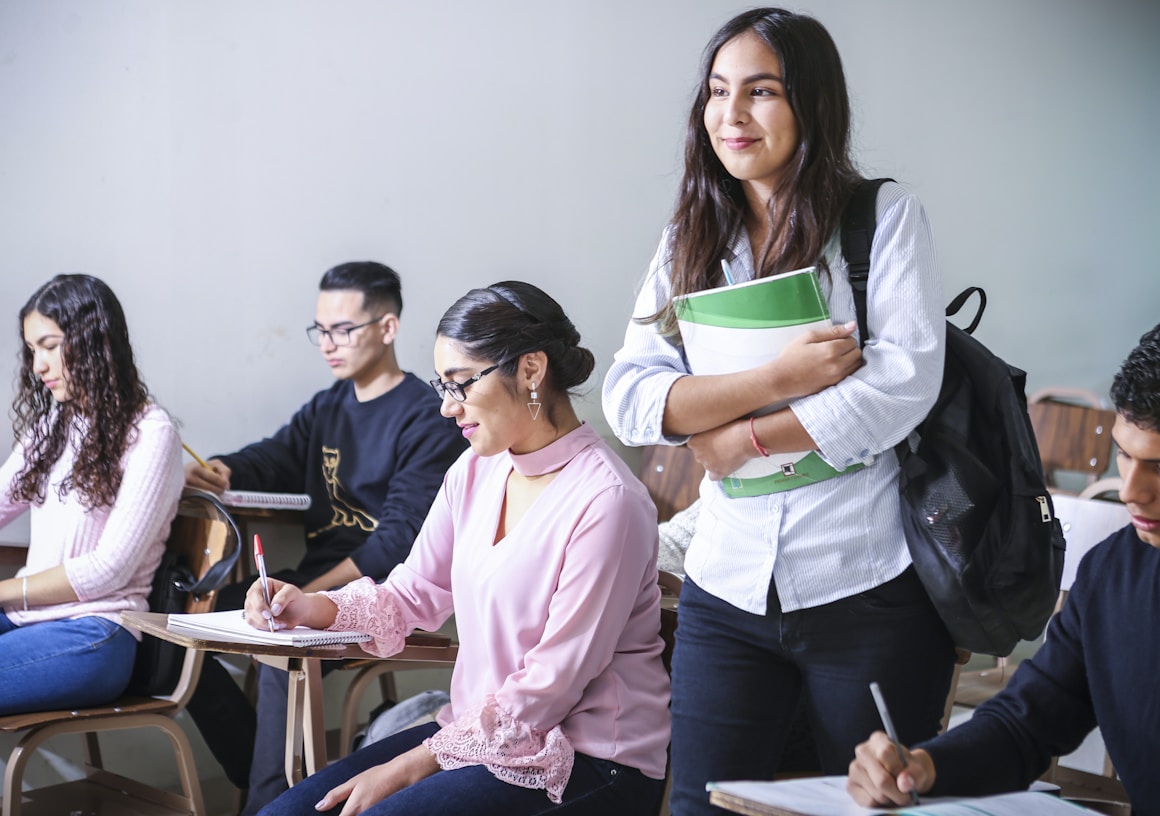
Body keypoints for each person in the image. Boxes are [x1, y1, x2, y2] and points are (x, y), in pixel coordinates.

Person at [601, 8, 955, 814]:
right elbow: (631, 396)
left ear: (811, 104)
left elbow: (901, 385)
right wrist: (779, 379)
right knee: (699, 806)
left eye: (761, 91)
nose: (731, 115)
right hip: (727, 586)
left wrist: (740, 438)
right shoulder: (689, 234)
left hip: (865, 582)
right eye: (718, 92)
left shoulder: (882, 218)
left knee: (871, 805)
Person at [253, 281, 670, 816]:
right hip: (478, 737)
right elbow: (413, 592)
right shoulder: (474, 469)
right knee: (283, 814)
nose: (449, 408)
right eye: (442, 386)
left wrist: (409, 764)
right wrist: (310, 606)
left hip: (588, 761)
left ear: (530, 369)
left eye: (460, 384)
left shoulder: (608, 501)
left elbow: (550, 685)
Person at [848, 313, 1160, 815]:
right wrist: (924, 766)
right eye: (1125, 457)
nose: (1132, 491)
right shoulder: (1114, 574)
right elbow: (1028, 722)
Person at [183, 261, 467, 812]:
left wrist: (310, 597)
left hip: (381, 595)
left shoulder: (425, 417)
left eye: (344, 330)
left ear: (387, 327)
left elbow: (396, 546)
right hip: (314, 583)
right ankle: (253, 768)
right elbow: (275, 456)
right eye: (321, 331)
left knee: (279, 656)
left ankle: (261, 803)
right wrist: (224, 469)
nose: (328, 345)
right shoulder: (328, 406)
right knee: (188, 617)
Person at [0, 274, 183, 714]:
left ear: (92, 339)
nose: (38, 365)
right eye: (32, 351)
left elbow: (107, 570)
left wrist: (3, 591)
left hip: (94, 633)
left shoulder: (151, 432)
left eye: (49, 345)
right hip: (24, 621)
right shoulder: (50, 428)